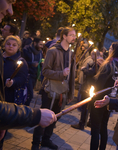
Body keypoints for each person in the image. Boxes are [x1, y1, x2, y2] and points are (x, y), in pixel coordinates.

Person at [0, 0, 57, 141]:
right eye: (8, 1)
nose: (11, 11)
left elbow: (22, 79)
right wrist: (34, 116)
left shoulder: (22, 61)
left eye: (14, 45)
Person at [31, 27, 76, 150]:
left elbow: (72, 75)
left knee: (55, 117)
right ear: (64, 36)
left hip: (63, 91)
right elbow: (45, 71)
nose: (74, 37)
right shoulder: (53, 51)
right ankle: (35, 143)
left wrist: (71, 93)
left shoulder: (71, 53)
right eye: (71, 35)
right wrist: (61, 73)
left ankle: (46, 140)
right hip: (50, 90)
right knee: (44, 115)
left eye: (75, 35)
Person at [90, 42, 118, 150]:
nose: (108, 50)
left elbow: (98, 85)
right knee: (103, 128)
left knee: (95, 131)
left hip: (99, 101)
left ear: (114, 51)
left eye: (110, 48)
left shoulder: (108, 65)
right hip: (109, 101)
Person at [71, 50, 104, 130]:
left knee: (85, 107)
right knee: (86, 107)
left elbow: (91, 73)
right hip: (90, 87)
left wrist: (84, 69)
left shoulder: (97, 63)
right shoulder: (98, 63)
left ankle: (82, 123)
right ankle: (85, 122)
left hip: (88, 87)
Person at [22, 37, 43, 106]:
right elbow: (21, 61)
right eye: (40, 44)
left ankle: (24, 109)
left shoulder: (40, 52)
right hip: (27, 75)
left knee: (28, 95)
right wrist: (31, 64)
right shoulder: (26, 50)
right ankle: (24, 109)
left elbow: (40, 61)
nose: (41, 46)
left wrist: (42, 64)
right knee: (30, 94)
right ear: (35, 43)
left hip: (35, 75)